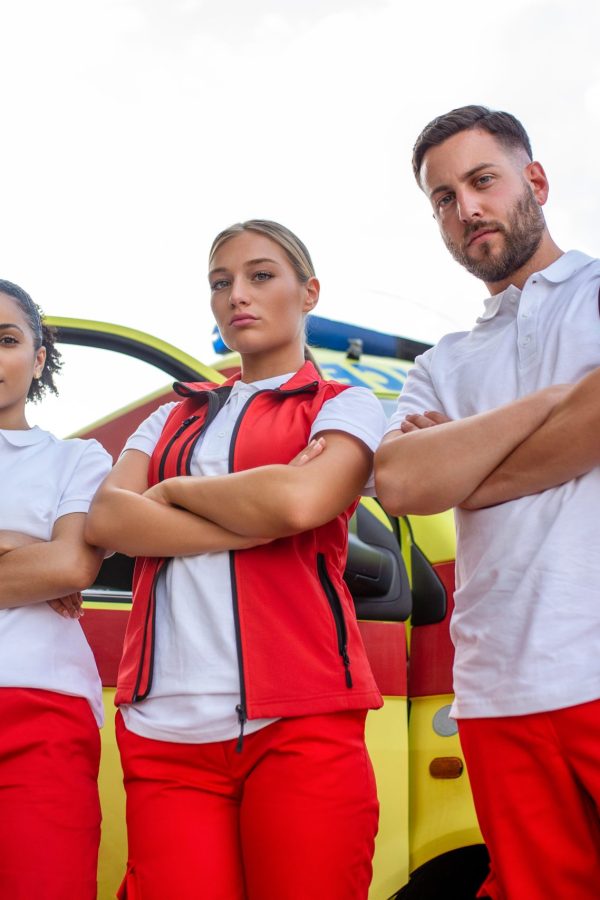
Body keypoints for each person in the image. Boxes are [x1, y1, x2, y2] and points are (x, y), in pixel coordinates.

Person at [86, 219, 386, 900]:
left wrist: (172, 494)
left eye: (260, 276)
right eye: (221, 283)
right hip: (163, 729)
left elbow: (300, 503)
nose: (236, 295)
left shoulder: (345, 405)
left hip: (301, 720)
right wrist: (254, 520)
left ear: (309, 292)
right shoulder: (171, 415)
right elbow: (107, 519)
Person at [375, 105, 600, 900]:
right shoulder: (441, 365)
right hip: (499, 686)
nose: (466, 208)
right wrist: (556, 404)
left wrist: (468, 465)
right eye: (444, 198)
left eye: (482, 181)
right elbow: (402, 484)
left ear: (534, 179)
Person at [0, 280, 112, 899]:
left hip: (42, 711)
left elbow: (70, 565)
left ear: (38, 357)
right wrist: (21, 544)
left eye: (6, 340)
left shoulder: (77, 459)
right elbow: (51, 559)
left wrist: (48, 558)